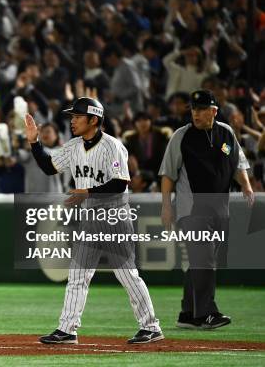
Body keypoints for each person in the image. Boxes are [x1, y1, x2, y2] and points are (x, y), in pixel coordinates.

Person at [25, 97, 163, 345]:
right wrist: (35, 143)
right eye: (72, 116)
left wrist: (86, 192)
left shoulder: (113, 146)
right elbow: (49, 166)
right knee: (78, 275)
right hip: (90, 218)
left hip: (114, 217)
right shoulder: (74, 145)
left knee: (127, 275)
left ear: (94, 120)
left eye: (77, 116)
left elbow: (120, 183)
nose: (72, 120)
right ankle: (67, 329)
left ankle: (151, 326)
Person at [159, 89, 254, 330]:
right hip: (192, 209)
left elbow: (238, 163)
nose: (196, 113)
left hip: (220, 208)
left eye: (201, 109)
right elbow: (168, 174)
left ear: (213, 111)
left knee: (200, 262)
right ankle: (206, 314)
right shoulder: (182, 136)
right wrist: (166, 206)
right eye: (193, 109)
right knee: (205, 260)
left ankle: (187, 313)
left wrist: (247, 185)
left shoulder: (226, 133)